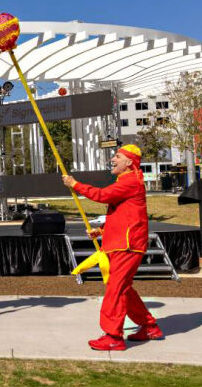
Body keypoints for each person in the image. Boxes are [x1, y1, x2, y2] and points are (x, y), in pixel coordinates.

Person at [62, 144, 164, 351]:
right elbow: (125, 216)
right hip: (121, 244)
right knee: (123, 289)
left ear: (129, 162)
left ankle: (113, 337)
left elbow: (102, 196)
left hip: (128, 246)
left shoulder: (130, 181)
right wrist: (101, 232)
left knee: (116, 290)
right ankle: (149, 326)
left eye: (117, 156)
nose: (112, 159)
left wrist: (76, 185)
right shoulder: (127, 181)